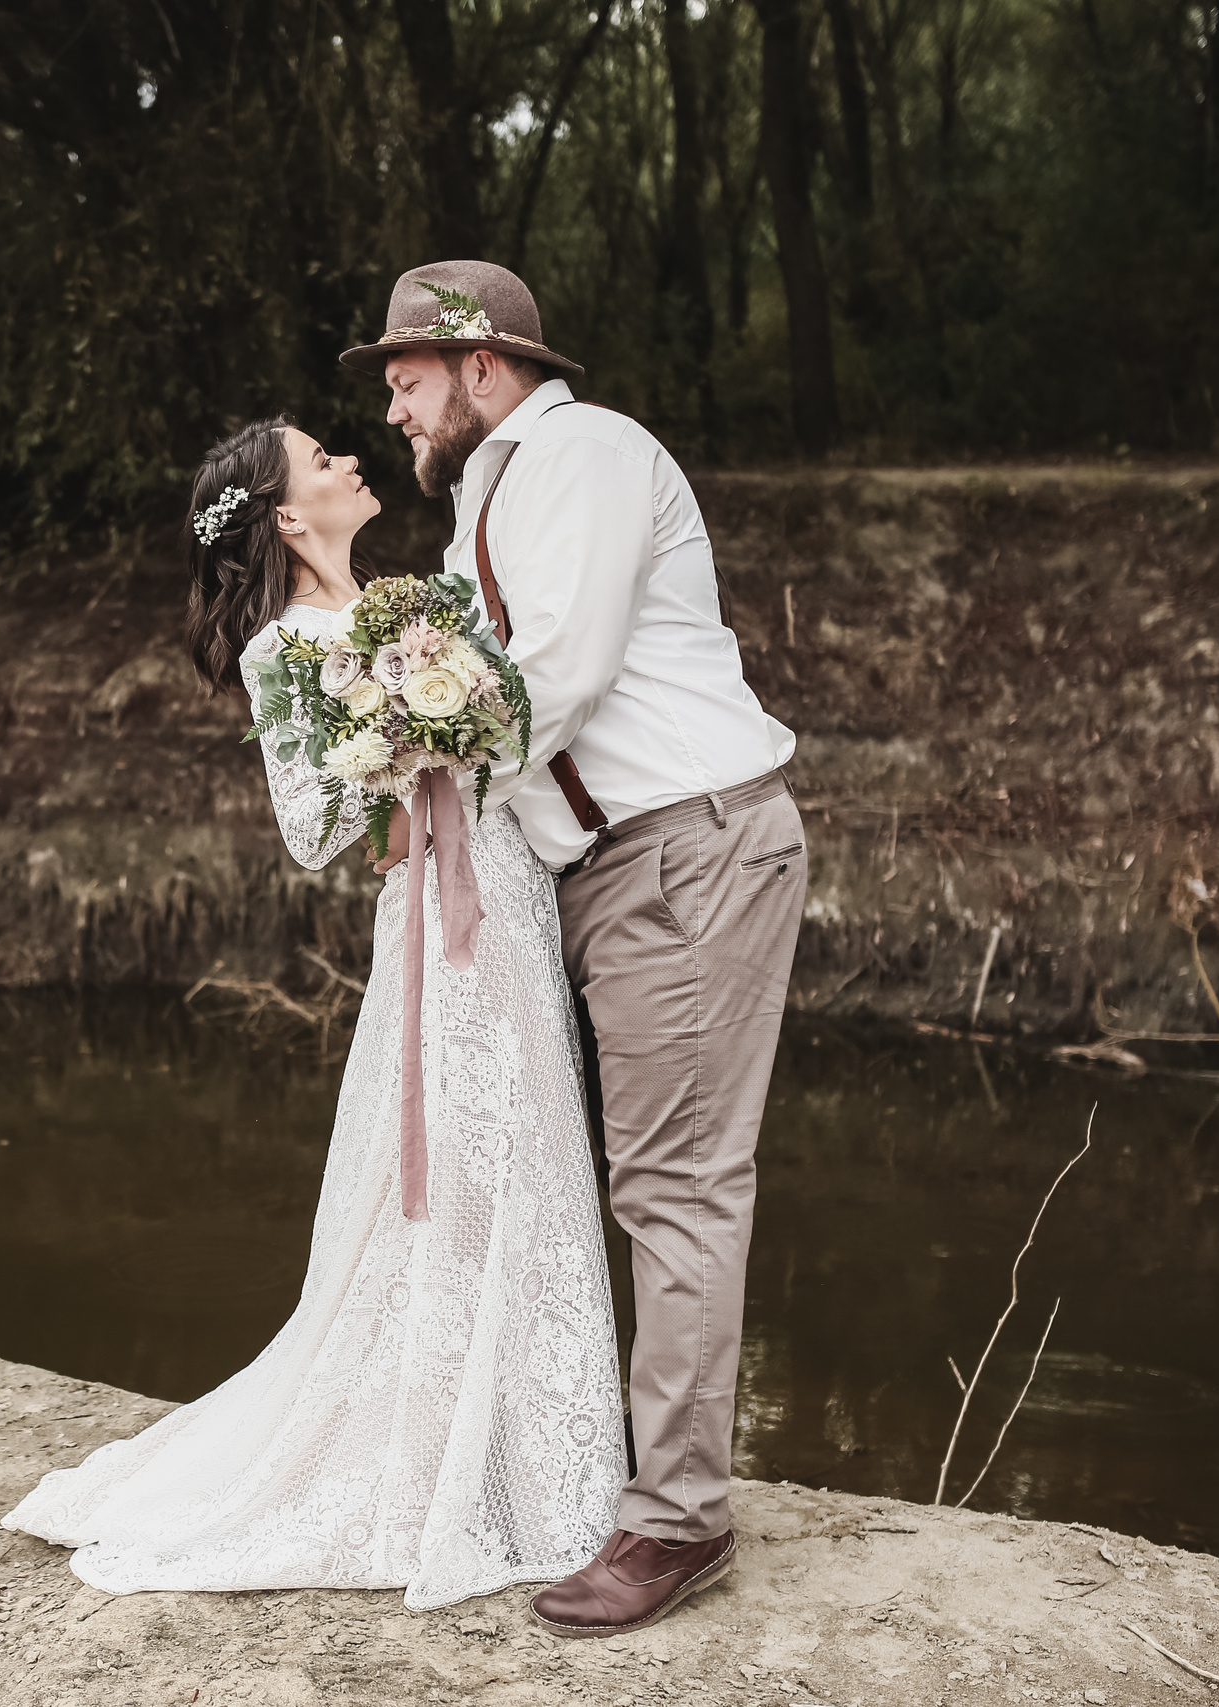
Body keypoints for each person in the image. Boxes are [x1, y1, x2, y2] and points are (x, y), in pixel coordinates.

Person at [0, 413, 628, 1612]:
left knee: (529, 1160)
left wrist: (455, 719)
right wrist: (403, 740)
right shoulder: (285, 649)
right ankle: (448, 1468)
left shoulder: (408, 599)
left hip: (509, 896)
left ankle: (537, 1456)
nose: (348, 461)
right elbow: (311, 831)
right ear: (289, 517)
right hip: (438, 928)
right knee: (446, 1175)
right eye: (321, 461)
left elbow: (504, 736)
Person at [342, 259, 805, 1637]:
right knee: (635, 1177)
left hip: (684, 849)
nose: (393, 407)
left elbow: (562, 664)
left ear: (485, 368)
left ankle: (677, 1521)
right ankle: (634, 1476)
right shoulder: (499, 484)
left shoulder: (584, 451)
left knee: (676, 1185)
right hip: (616, 867)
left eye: (409, 379)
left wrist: (423, 756)